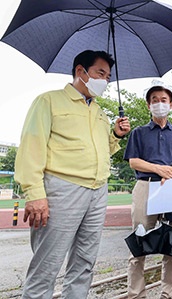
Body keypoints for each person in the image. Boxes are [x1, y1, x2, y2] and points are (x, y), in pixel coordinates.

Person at [14, 50, 130, 299]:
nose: (105, 81)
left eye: (109, 76)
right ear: (81, 71)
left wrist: (116, 136)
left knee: (85, 263)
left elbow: (101, 150)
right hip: (62, 189)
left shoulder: (100, 112)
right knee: (47, 264)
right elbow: (31, 147)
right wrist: (35, 193)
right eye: (100, 73)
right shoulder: (49, 101)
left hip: (98, 191)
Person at [124, 85, 172, 299]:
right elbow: (133, 162)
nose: (160, 103)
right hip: (146, 186)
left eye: (164, 99)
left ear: (171, 104)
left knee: (171, 241)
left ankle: (170, 293)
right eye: (155, 100)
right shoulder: (138, 132)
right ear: (149, 105)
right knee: (139, 238)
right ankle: (136, 294)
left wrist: (170, 172)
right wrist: (159, 169)